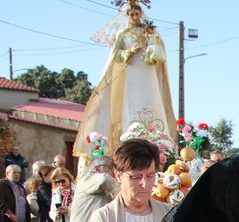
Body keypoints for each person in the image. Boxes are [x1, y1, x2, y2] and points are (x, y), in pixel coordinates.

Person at [74, 0, 175, 158]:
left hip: (148, 73)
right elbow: (116, 56)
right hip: (131, 73)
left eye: (137, 14)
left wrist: (150, 51)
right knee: (131, 104)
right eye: (132, 14)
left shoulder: (149, 32)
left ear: (141, 14)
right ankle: (130, 136)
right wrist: (129, 52)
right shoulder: (123, 34)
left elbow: (159, 49)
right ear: (127, 16)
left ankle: (159, 140)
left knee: (152, 100)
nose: (134, 17)